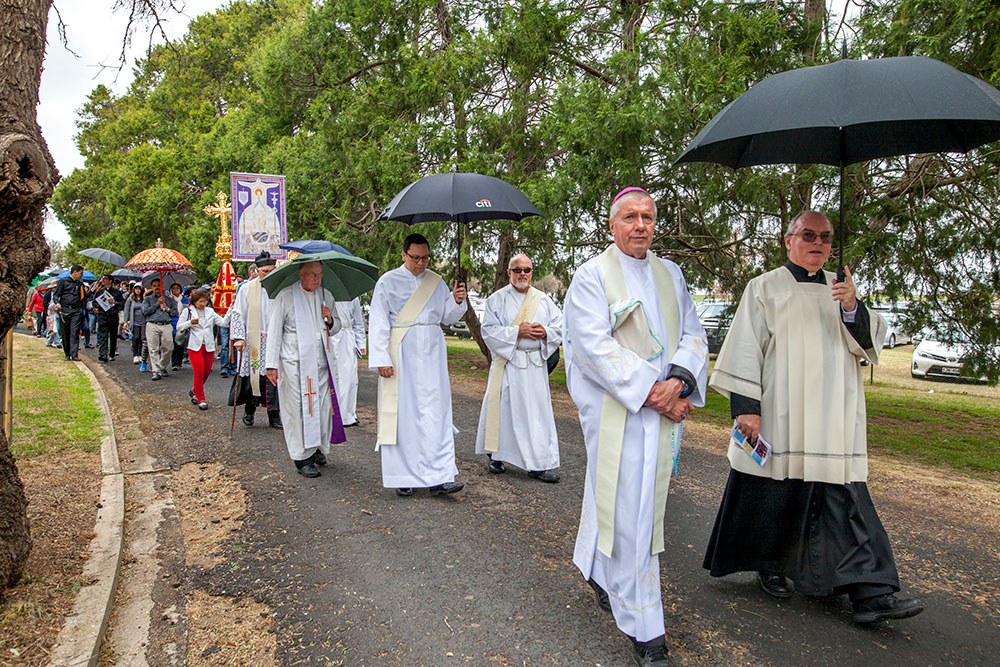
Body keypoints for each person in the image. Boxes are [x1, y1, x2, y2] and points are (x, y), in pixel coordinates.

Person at [703, 210, 923, 624]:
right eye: (808, 235)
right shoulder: (764, 287)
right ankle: (773, 568)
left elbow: (869, 344)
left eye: (825, 236)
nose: (818, 242)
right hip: (781, 411)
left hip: (831, 416)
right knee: (771, 492)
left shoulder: (841, 290)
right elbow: (746, 348)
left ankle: (870, 594)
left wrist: (852, 307)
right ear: (789, 240)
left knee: (846, 499)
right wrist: (746, 409)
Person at [564, 187, 708, 667]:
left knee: (625, 503)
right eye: (630, 217)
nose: (641, 225)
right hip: (619, 414)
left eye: (647, 216)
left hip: (660, 413)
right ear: (612, 226)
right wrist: (658, 395)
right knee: (632, 515)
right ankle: (646, 630)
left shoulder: (671, 273)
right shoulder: (591, 277)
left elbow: (693, 333)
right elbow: (591, 348)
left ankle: (596, 568)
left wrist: (681, 381)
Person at [368, 233, 468, 498]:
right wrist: (380, 358)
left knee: (436, 413)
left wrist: (457, 300)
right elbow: (378, 320)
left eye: (425, 258)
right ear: (404, 255)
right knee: (404, 414)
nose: (421, 263)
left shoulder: (436, 281)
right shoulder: (387, 282)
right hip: (401, 353)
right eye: (415, 258)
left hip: (433, 354)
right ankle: (403, 475)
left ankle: (441, 476)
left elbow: (447, 316)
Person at [474, 253, 563, 482]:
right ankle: (496, 456)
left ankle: (538, 464)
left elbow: (560, 326)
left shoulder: (543, 300)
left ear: (531, 272)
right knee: (503, 412)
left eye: (526, 269)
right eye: (517, 270)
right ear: (509, 273)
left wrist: (546, 333)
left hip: (534, 366)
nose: (522, 273)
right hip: (509, 365)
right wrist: (516, 333)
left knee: (536, 416)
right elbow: (489, 331)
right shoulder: (496, 300)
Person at [265, 261, 346, 478]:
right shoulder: (286, 296)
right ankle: (302, 457)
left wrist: (329, 319)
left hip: (321, 362)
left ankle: (317, 447)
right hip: (294, 363)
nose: (316, 279)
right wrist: (271, 365)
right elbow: (274, 331)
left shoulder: (326, 296)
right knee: (297, 408)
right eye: (312, 275)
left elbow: (337, 327)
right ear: (301, 274)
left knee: (320, 407)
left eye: (319, 275)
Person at [229, 251, 282, 428]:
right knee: (253, 379)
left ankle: (274, 415)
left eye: (272, 270)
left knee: (273, 378)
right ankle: (249, 411)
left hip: (274, 340)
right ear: (257, 271)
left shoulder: (280, 289)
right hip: (253, 340)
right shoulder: (246, 289)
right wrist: (238, 338)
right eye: (265, 271)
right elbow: (237, 315)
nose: (269, 274)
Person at [177, 288, 224, 410]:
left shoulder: (210, 311)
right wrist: (190, 323)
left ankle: (194, 390)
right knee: (199, 371)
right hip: (195, 346)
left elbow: (223, 322)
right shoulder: (188, 311)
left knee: (207, 371)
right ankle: (200, 397)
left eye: (205, 301)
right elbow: (179, 327)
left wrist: (231, 312)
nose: (203, 304)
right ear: (195, 302)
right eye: (201, 302)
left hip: (208, 345)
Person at [331, 298, 367, 427]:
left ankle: (347, 414)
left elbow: (358, 322)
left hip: (347, 337)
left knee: (349, 378)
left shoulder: (353, 298)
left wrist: (361, 343)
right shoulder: (322, 292)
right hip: (330, 337)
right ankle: (331, 413)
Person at [142, 279, 178, 380]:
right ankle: (156, 371)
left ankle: (162, 366)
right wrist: (157, 304)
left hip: (166, 324)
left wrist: (167, 308)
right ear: (152, 288)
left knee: (169, 347)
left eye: (159, 285)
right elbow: (145, 312)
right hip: (152, 324)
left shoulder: (170, 300)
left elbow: (175, 313)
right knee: (153, 349)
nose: (157, 287)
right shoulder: (147, 299)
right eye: (154, 286)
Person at [52, 265, 88, 361]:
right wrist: (57, 303)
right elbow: (56, 295)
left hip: (76, 310)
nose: (82, 275)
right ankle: (67, 353)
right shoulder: (63, 282)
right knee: (65, 332)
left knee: (74, 332)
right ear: (75, 272)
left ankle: (74, 354)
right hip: (65, 310)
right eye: (81, 273)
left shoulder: (80, 284)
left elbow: (83, 297)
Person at [92, 273, 125, 362]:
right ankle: (103, 354)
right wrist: (99, 305)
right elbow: (94, 302)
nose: (103, 280)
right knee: (103, 335)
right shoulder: (99, 291)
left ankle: (112, 353)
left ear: (110, 281)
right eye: (103, 279)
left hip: (113, 315)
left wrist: (115, 303)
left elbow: (122, 304)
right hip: (102, 315)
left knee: (113, 335)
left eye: (105, 279)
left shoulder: (117, 292)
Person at [123, 284, 147, 365]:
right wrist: (126, 321)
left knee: (141, 338)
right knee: (135, 337)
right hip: (134, 321)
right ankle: (135, 355)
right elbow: (126, 310)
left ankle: (140, 354)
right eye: (136, 289)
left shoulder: (145, 299)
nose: (137, 291)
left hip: (143, 321)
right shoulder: (131, 299)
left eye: (139, 289)